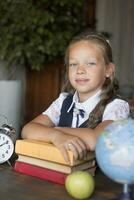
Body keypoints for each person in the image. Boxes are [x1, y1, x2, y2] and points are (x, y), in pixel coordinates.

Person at [21, 31, 130, 164]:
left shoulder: (116, 106)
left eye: (90, 63)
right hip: (60, 176)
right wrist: (56, 136)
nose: (80, 70)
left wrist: (51, 131)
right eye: (73, 64)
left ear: (108, 70)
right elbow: (27, 130)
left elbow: (96, 140)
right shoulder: (63, 102)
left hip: (99, 182)